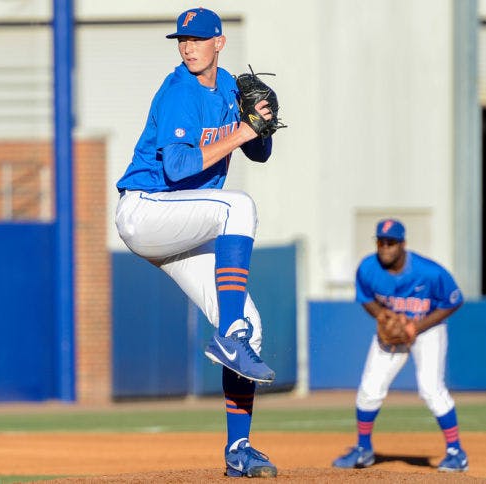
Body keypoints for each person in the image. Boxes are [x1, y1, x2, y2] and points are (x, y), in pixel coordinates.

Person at [114, 7, 278, 479]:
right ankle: (228, 340)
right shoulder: (179, 93)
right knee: (237, 207)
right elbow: (179, 170)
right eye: (181, 39)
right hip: (146, 209)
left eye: (197, 39)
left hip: (183, 226)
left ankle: (239, 449)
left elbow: (259, 150)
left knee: (250, 323)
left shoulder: (229, 86)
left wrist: (260, 123)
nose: (187, 46)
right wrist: (243, 132)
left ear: (219, 42)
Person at [332, 219, 469, 472]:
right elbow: (366, 299)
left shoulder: (429, 272)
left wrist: (415, 328)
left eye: (391, 242)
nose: (385, 247)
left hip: (427, 328)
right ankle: (364, 449)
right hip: (393, 331)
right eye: (381, 242)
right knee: (370, 388)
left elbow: (454, 300)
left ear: (403, 244)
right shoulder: (367, 268)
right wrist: (382, 316)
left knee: (431, 388)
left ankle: (456, 452)